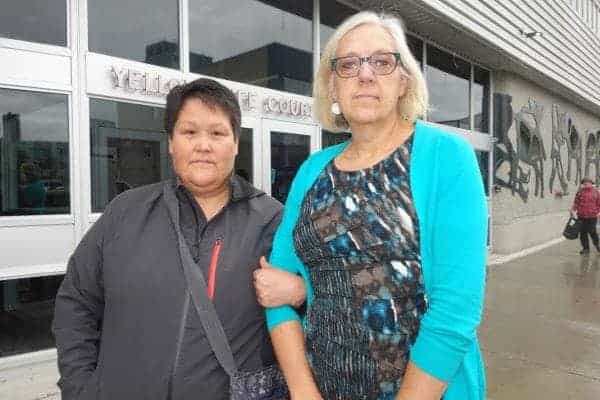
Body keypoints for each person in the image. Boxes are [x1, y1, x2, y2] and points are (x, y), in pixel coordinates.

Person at [256, 11, 488, 400]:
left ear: (403, 82)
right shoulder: (312, 170)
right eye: (349, 64)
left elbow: (454, 314)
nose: (365, 74)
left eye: (381, 62)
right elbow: (272, 286)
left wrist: (304, 290)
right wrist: (303, 391)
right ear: (332, 87)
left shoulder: (446, 157)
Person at [52, 78, 303, 400]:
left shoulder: (273, 222)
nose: (203, 145)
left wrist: (301, 292)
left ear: (235, 143)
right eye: (189, 132)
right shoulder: (125, 212)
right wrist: (80, 388)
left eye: (217, 133)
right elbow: (76, 301)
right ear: (171, 142)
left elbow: (330, 308)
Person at [570, 176, 600, 254]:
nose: (586, 184)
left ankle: (597, 245)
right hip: (581, 216)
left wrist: (598, 212)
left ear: (591, 183)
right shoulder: (580, 192)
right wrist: (572, 209)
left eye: (588, 182)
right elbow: (576, 202)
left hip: (592, 216)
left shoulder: (596, 192)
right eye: (584, 182)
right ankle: (586, 248)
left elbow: (599, 203)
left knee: (592, 231)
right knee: (583, 232)